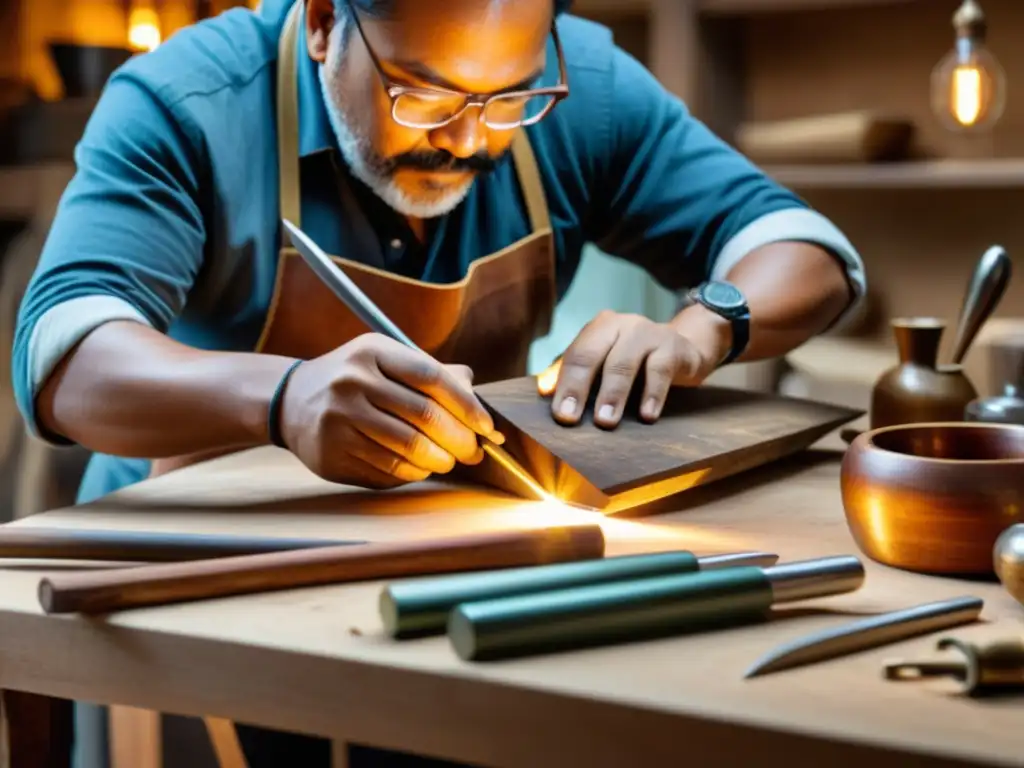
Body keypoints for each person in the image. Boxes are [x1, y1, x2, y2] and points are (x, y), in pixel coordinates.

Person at [11, 0, 866, 764]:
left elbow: (806, 250)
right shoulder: (189, 102)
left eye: (506, 100)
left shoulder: (584, 86)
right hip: (183, 587)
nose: (466, 138)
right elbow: (63, 355)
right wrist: (285, 399)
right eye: (423, 94)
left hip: (455, 567)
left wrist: (705, 325)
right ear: (319, 23)